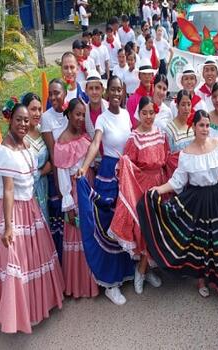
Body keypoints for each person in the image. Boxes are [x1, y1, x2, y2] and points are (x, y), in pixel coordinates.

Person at [138, 110, 218, 299]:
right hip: (196, 202)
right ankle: (201, 280)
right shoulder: (186, 154)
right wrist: (157, 190)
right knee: (200, 243)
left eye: (207, 125)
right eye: (201, 125)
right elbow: (177, 182)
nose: (205, 129)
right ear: (194, 127)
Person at [0, 104, 64, 333]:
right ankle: (20, 314)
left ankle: (36, 307)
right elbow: (8, 190)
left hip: (30, 206)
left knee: (34, 259)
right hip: (15, 212)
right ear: (9, 121)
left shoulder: (25, 145)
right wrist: (9, 226)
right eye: (18, 120)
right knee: (19, 264)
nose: (23, 124)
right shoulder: (5, 151)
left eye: (25, 120)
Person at [76, 76, 136, 305]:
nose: (116, 93)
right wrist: (83, 167)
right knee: (110, 225)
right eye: (112, 90)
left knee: (127, 224)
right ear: (106, 92)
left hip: (126, 172)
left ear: (123, 92)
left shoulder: (127, 116)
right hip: (109, 172)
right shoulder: (102, 118)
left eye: (119, 90)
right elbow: (95, 143)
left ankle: (129, 272)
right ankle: (112, 284)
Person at [109, 96, 168, 294]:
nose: (149, 116)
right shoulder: (134, 138)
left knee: (157, 228)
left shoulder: (161, 134)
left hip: (159, 185)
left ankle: (146, 269)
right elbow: (128, 165)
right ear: (138, 114)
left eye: (152, 112)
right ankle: (140, 272)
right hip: (141, 187)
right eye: (145, 113)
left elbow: (166, 159)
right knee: (144, 229)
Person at [55, 98, 100, 298]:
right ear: (69, 114)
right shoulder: (62, 142)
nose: (81, 118)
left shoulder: (83, 136)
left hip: (87, 187)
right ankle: (80, 284)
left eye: (83, 114)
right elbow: (63, 175)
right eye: (77, 114)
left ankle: (94, 279)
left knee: (91, 232)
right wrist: (69, 207)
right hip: (74, 192)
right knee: (78, 233)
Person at [40, 79, 68, 258]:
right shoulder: (46, 117)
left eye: (57, 92)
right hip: (57, 176)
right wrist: (60, 188)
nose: (53, 97)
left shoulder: (71, 111)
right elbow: (53, 153)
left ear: (65, 93)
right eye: (51, 93)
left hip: (73, 173)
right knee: (59, 218)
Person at [22, 93, 51, 222]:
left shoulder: (43, 130)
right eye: (33, 109)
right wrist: (41, 172)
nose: (37, 113)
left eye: (40, 109)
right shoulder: (20, 136)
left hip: (45, 187)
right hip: (28, 190)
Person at [165, 89, 195, 172]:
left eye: (189, 104)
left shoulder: (194, 126)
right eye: (183, 105)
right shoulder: (169, 129)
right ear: (177, 106)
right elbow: (168, 158)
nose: (186, 108)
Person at [126, 57, 157, 123]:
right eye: (144, 74)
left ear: (152, 76)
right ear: (139, 76)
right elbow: (133, 123)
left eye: (149, 74)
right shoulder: (132, 100)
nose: (146, 76)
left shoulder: (157, 96)